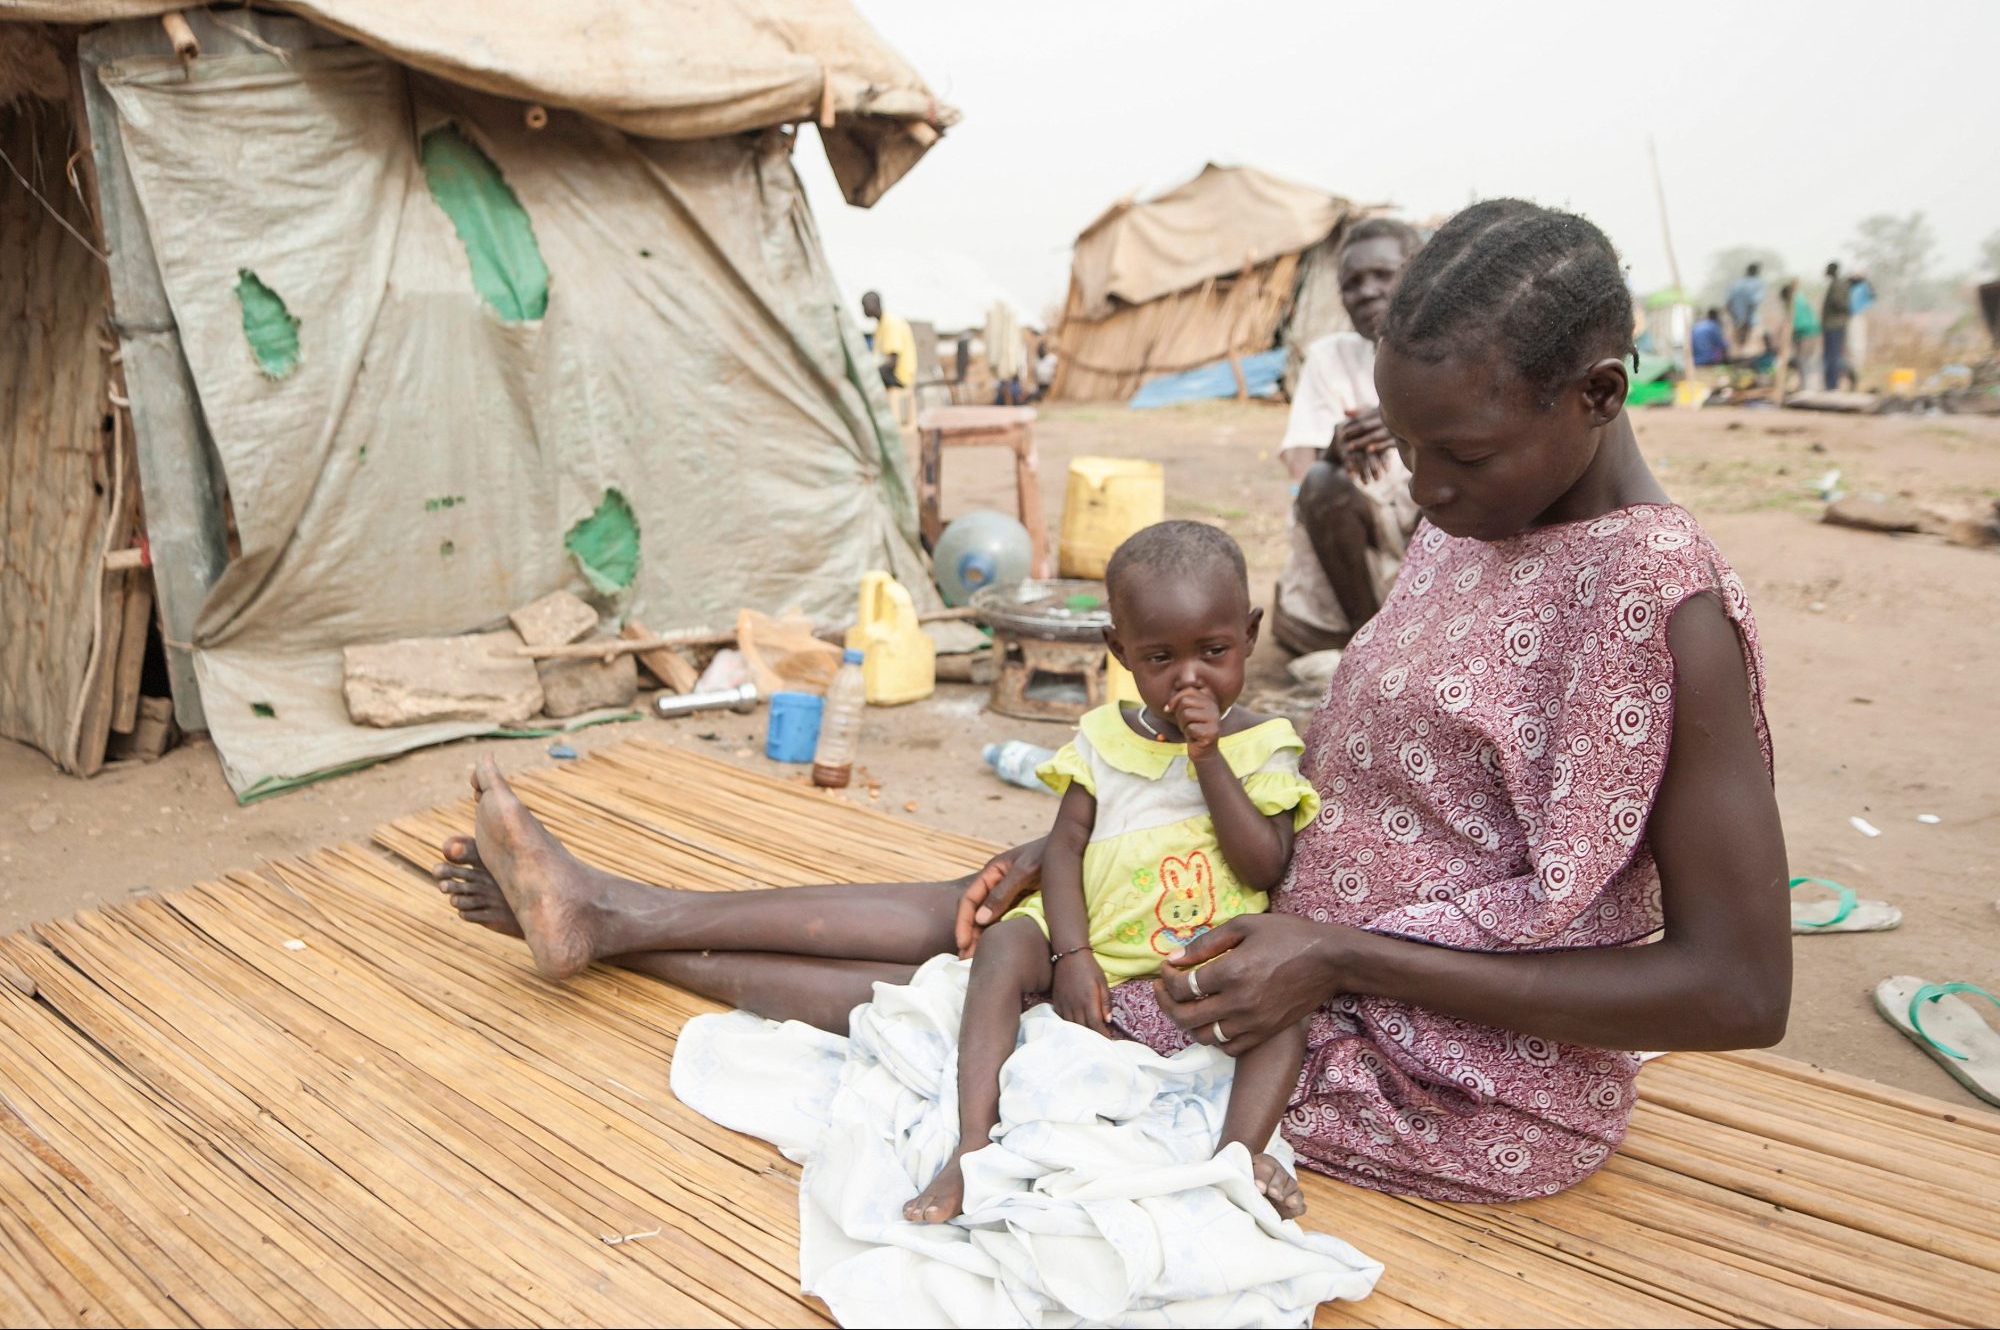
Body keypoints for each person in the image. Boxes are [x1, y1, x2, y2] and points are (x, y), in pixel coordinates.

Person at [435, 198, 1790, 1206]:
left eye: (1461, 454)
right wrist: (1134, 805)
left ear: (1601, 396)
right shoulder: (1487, 522)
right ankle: (610, 914)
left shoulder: (1666, 610)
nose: (1419, 490)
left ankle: (612, 928)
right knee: (1011, 908)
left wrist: (1340, 960)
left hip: (1441, 1055)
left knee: (989, 986)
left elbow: (1740, 990)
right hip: (1305, 934)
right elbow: (1389, 764)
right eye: (1405, 445)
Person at [904, 521, 1321, 1224]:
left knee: (1287, 1017)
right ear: (1118, 651)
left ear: (1249, 636)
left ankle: (1240, 1152)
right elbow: (1063, 850)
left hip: (1199, 967)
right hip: (1097, 945)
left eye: (1214, 652)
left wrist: (1209, 758)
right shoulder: (1101, 738)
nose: (1190, 678)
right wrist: (1072, 954)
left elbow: (1265, 862)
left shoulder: (1266, 746)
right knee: (1006, 942)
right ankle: (971, 1146)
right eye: (1160, 658)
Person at [1271, 216, 1425, 655]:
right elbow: (1303, 477)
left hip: (1433, 523)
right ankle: (1367, 640)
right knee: (1321, 483)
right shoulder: (1330, 357)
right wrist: (1333, 453)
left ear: (1416, 276)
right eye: (1352, 283)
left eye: (1383, 275)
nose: (1367, 292)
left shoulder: (1453, 352)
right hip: (1368, 531)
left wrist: (1405, 426)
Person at [861, 289, 916, 399]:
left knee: (866, 378)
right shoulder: (879, 326)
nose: (863, 309)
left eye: (864, 305)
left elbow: (892, 361)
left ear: (874, 304)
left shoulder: (891, 323)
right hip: (890, 373)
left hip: (900, 377)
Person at [1821, 262, 1852, 391]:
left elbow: (1840, 303)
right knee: (1831, 356)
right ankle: (1830, 384)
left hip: (1834, 325)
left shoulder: (1838, 284)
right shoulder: (1837, 283)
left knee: (1833, 356)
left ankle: (1832, 385)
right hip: (1832, 325)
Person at [1726, 262, 1765, 349]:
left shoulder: (1736, 284)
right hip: (1749, 322)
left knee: (1738, 346)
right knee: (1750, 348)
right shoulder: (1758, 283)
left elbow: (1728, 304)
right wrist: (1745, 321)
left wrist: (1736, 320)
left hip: (1737, 321)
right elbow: (1753, 303)